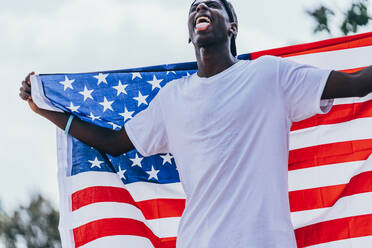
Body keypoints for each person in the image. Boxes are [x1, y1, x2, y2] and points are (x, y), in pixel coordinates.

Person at [19, 0, 372, 247]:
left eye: (212, 5)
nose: (200, 8)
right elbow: (113, 143)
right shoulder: (173, 98)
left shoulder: (270, 75)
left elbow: (356, 85)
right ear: (190, 34)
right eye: (194, 8)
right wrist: (46, 109)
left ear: (233, 27)